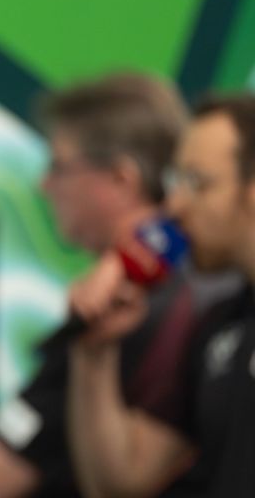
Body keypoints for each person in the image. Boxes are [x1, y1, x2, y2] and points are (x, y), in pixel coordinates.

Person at [0, 73, 208, 497]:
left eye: (59, 166)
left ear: (123, 179)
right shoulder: (177, 291)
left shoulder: (144, 306)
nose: (43, 184)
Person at [67, 93, 255, 497]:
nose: (175, 205)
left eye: (197, 183)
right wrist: (95, 353)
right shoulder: (222, 326)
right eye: (177, 181)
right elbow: (120, 484)